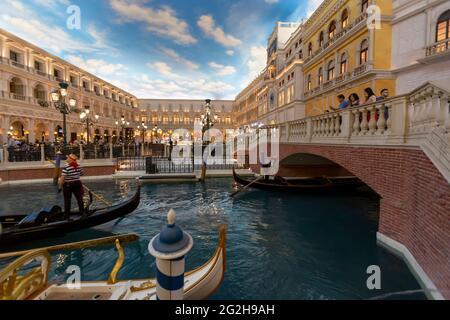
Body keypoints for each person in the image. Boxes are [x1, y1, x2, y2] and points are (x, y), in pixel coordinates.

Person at [59, 154, 85, 220]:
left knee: (67, 200)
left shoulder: (66, 167)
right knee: (79, 199)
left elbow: (62, 178)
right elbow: (82, 174)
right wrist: (75, 175)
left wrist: (60, 187)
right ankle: (82, 212)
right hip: (77, 184)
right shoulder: (78, 166)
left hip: (68, 185)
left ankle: (66, 215)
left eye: (68, 158)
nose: (67, 159)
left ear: (70, 159)